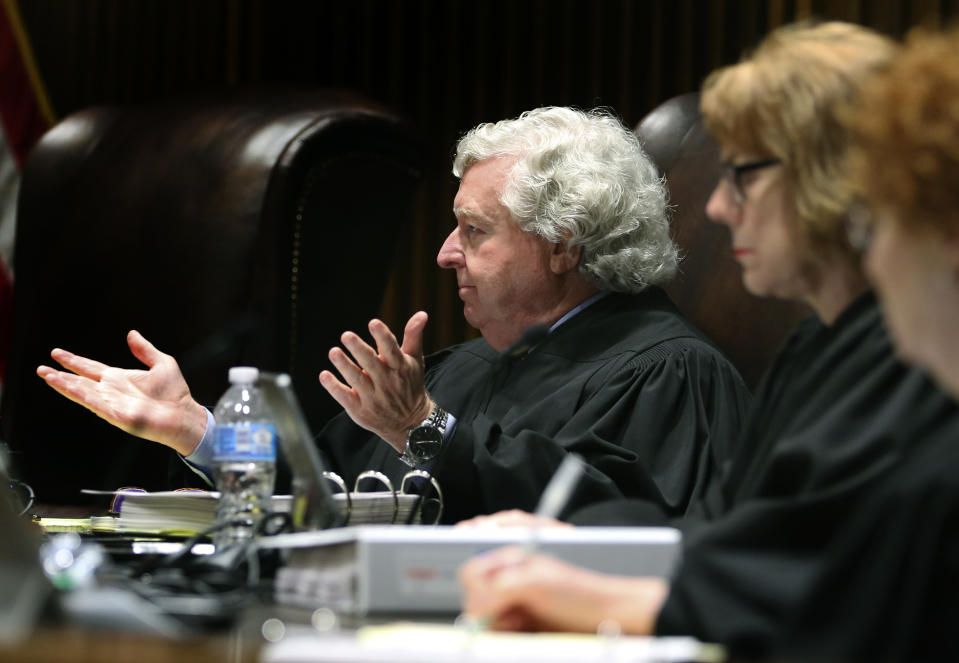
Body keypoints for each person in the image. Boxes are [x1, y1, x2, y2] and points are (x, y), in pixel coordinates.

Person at [459, 22, 959, 662]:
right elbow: (723, 533)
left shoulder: (904, 361)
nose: (719, 209)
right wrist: (567, 538)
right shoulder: (819, 345)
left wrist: (615, 601)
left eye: (740, 177)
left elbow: (838, 599)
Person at [36, 106, 751, 524]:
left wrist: (427, 432)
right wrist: (199, 430)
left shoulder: (667, 374)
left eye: (473, 230)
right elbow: (321, 492)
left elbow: (606, 526)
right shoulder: (466, 368)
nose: (444, 254)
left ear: (562, 244)